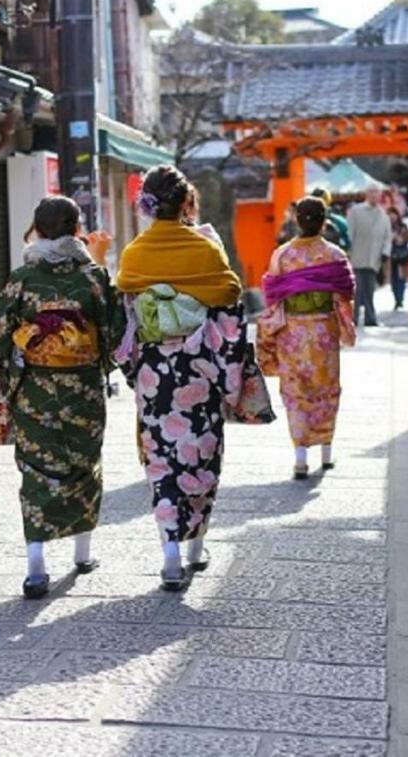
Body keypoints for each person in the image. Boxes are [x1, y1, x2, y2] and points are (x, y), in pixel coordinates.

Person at [116, 165, 264, 591]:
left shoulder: (134, 254)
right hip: (199, 367)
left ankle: (170, 554)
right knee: (201, 451)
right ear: (185, 204)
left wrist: (134, 367)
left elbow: (125, 315)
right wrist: (230, 370)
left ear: (147, 205)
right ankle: (196, 545)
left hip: (154, 375)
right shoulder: (205, 251)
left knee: (161, 458)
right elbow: (230, 303)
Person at [0, 196, 124, 600]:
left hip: (34, 388)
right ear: (76, 228)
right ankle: (82, 554)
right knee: (83, 463)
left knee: (37, 470)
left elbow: (3, 331)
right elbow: (114, 331)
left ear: (39, 229)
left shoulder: (22, 278)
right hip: (82, 386)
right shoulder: (94, 277)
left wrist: (15, 364)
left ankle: (36, 566)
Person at [257, 197, 357, 479]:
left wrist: (268, 333)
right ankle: (326, 450)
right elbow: (345, 293)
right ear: (325, 221)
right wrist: (345, 324)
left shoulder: (282, 255)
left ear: (296, 220)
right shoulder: (335, 255)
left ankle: (300, 457)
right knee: (325, 388)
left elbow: (273, 295)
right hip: (324, 330)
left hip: (292, 331)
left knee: (296, 390)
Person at [346, 186, 391, 326]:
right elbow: (349, 233)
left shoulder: (383, 215)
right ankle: (353, 318)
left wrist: (385, 252)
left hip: (374, 259)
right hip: (356, 257)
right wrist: (347, 252)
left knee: (370, 290)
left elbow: (387, 237)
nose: (374, 195)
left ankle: (370, 318)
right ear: (366, 194)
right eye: (371, 192)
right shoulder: (355, 211)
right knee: (356, 291)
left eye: (377, 192)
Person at [387, 206, 408, 310]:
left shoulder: (403, 226)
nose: (392, 216)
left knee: (401, 277)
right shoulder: (386, 226)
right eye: (390, 214)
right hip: (390, 254)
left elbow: (407, 238)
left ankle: (400, 299)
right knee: (393, 278)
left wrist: (400, 239)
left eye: (394, 214)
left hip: (402, 254)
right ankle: (396, 298)